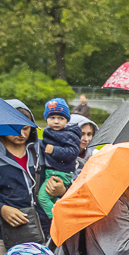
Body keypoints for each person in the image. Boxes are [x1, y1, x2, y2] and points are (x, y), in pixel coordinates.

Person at [0, 100, 42, 246]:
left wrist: (61, 189)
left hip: (41, 231)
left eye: (25, 128)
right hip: (4, 235)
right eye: (15, 128)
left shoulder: (41, 149)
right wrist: (2, 209)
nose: (21, 134)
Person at [36, 98, 81, 233]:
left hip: (60, 173)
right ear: (46, 119)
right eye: (52, 117)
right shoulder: (50, 132)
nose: (56, 121)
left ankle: (56, 217)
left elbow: (73, 152)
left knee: (43, 197)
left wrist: (54, 150)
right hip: (53, 171)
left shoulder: (69, 134)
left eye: (61, 118)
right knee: (51, 197)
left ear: (67, 121)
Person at [69, 113, 98, 177]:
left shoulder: (95, 156)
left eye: (89, 134)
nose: (86, 139)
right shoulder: (61, 157)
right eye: (82, 134)